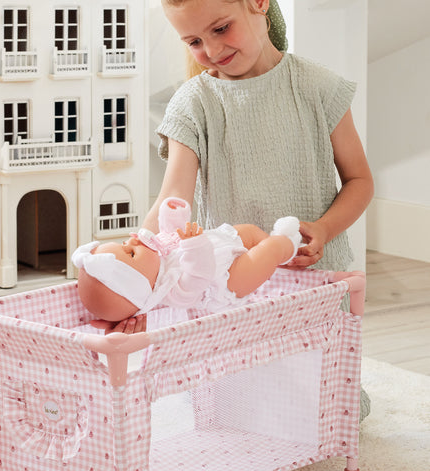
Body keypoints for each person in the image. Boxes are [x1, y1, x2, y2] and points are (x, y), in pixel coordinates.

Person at [140, 0, 373, 420]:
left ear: (259, 4)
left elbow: (359, 180)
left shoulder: (318, 87)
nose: (212, 50)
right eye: (194, 41)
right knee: (235, 414)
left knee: (330, 415)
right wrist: (135, 268)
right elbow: (172, 200)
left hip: (312, 282)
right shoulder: (193, 103)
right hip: (234, 286)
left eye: (221, 29)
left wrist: (323, 228)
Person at [73, 197, 302, 322]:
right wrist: (193, 244)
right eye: (131, 253)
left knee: (249, 231)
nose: (132, 242)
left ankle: (273, 258)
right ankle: (287, 246)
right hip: (229, 280)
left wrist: (172, 214)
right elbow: (200, 274)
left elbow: (172, 232)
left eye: (124, 243)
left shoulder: (156, 256)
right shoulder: (174, 292)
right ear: (144, 287)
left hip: (221, 249)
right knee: (270, 249)